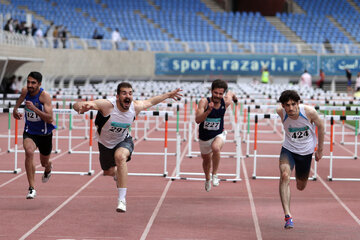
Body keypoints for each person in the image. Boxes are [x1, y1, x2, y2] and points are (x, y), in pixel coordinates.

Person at [73, 82, 182, 212]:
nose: (128, 96)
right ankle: (117, 174)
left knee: (120, 157)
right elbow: (77, 105)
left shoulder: (135, 107)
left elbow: (151, 101)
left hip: (123, 140)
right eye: (124, 93)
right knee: (107, 172)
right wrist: (82, 106)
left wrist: (169, 95)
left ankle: (121, 200)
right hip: (104, 144)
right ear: (118, 96)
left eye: (130, 93)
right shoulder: (107, 105)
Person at [276, 90, 324, 229]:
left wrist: (319, 149)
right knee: (285, 175)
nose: (290, 108)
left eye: (293, 104)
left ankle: (300, 178)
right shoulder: (281, 112)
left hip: (306, 152)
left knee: (300, 186)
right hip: (288, 149)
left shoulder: (309, 112)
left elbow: (321, 127)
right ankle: (288, 216)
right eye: (287, 105)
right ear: (283, 106)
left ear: (298, 103)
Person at [13, 72, 56, 199]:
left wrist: (35, 109)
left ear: (39, 84)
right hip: (30, 132)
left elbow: (50, 119)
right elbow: (20, 99)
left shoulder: (44, 97)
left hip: (44, 134)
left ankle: (48, 167)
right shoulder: (25, 91)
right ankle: (31, 188)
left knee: (44, 163)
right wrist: (15, 110)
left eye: (33, 83)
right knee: (29, 152)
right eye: (28, 82)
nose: (30, 85)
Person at [195, 79, 237, 192]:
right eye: (215, 93)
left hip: (219, 133)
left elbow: (231, 93)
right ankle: (207, 178)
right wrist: (208, 111)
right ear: (211, 91)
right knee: (206, 159)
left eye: (220, 93)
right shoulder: (204, 102)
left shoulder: (225, 101)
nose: (218, 96)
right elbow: (197, 120)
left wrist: (235, 97)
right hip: (204, 136)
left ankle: (215, 175)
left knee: (215, 148)